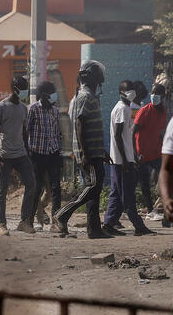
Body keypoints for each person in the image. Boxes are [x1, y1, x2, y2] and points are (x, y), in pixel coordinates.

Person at [55, 60, 110, 239]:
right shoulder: (85, 96)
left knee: (94, 189)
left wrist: (102, 150)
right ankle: (62, 215)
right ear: (92, 77)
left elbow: (92, 126)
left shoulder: (90, 96)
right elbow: (80, 123)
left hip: (95, 152)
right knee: (93, 186)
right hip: (88, 154)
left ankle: (94, 229)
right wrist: (86, 153)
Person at [103, 80, 154, 236]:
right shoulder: (122, 109)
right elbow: (118, 136)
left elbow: (127, 136)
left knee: (117, 193)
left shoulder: (126, 108)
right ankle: (139, 226)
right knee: (127, 193)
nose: (132, 92)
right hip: (121, 160)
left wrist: (132, 156)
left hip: (124, 158)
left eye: (132, 89)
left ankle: (109, 223)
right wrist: (125, 159)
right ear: (121, 92)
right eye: (128, 90)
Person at [0, 75, 37, 235]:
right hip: (4, 154)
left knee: (31, 185)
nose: (24, 92)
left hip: (21, 153)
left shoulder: (23, 108)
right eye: (22, 89)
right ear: (15, 90)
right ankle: (1, 224)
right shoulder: (1, 107)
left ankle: (24, 221)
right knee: (2, 190)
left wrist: (28, 152)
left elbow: (24, 131)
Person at [27, 80, 64, 233]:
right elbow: (27, 131)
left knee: (56, 188)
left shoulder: (55, 110)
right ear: (43, 95)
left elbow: (57, 132)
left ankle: (56, 221)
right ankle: (32, 220)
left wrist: (60, 151)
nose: (54, 96)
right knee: (37, 188)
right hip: (38, 153)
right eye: (51, 93)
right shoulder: (33, 110)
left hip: (53, 152)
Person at [134, 83, 167, 219]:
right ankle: (150, 209)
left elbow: (159, 131)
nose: (154, 96)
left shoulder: (162, 111)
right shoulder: (144, 111)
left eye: (157, 93)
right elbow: (133, 132)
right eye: (153, 93)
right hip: (142, 153)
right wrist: (134, 153)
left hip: (156, 153)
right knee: (144, 182)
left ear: (163, 96)